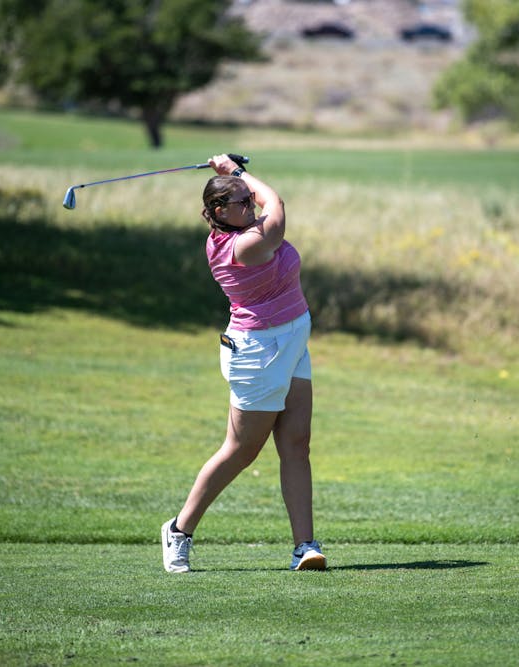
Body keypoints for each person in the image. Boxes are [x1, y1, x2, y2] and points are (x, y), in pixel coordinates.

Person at [161, 154, 326, 573]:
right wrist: (235, 172)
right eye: (242, 202)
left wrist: (233, 178)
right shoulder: (244, 246)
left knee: (296, 444)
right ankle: (179, 530)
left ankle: (305, 546)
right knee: (240, 451)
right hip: (259, 353)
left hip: (292, 342)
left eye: (249, 200)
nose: (251, 205)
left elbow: (264, 204)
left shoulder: (241, 229)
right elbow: (277, 204)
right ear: (219, 212)